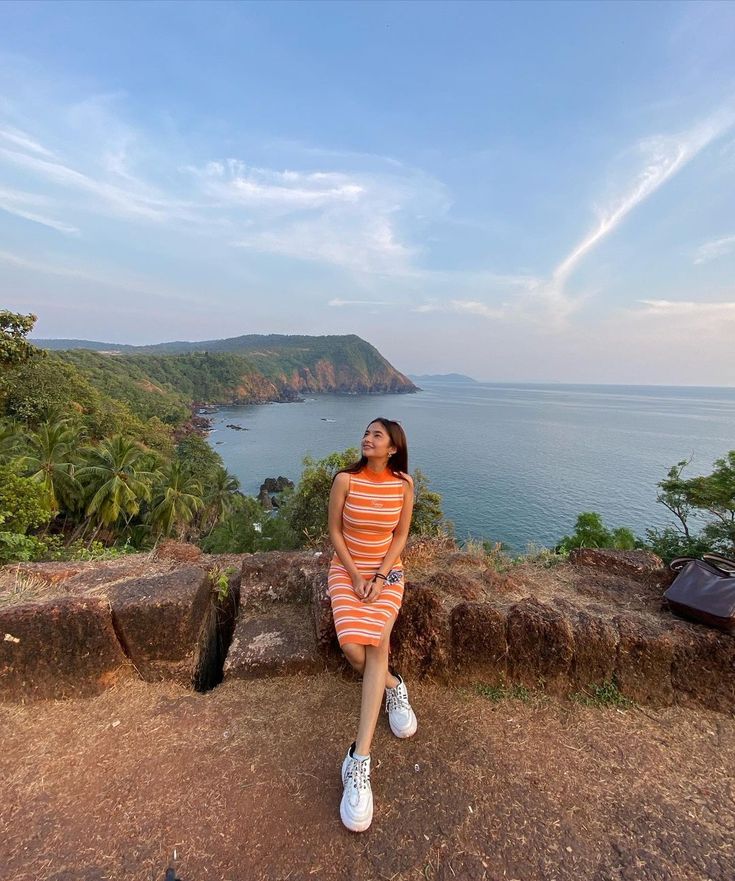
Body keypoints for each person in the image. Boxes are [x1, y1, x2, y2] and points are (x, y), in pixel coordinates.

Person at [327, 417, 417, 832]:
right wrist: (357, 576)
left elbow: (400, 536)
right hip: (347, 572)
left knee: (377, 641)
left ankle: (358, 760)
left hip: (387, 573)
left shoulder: (404, 486)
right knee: (351, 649)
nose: (367, 438)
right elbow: (335, 533)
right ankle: (394, 687)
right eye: (365, 432)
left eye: (376, 435)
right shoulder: (345, 480)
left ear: (393, 447)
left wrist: (379, 577)